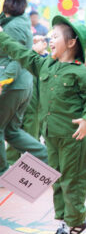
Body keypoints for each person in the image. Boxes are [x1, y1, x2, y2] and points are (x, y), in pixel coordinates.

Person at [0, 15, 86, 234]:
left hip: (73, 137)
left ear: (71, 43)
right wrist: (2, 37)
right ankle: (64, 220)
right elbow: (22, 53)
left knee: (72, 180)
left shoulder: (81, 72)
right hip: (51, 135)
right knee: (55, 178)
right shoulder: (45, 65)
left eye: (55, 36)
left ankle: (76, 220)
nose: (50, 40)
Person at [0, 0, 48, 176]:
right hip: (20, 84)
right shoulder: (16, 21)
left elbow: (16, 59)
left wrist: (3, 81)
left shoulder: (15, 27)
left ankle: (2, 171)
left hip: (13, 85)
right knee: (11, 131)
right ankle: (50, 159)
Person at [6, 34, 49, 165]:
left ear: (44, 44)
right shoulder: (20, 57)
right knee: (13, 137)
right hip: (17, 105)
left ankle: (31, 169)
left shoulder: (46, 60)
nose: (35, 44)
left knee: (31, 138)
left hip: (35, 108)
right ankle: (9, 169)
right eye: (33, 41)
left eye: (38, 41)